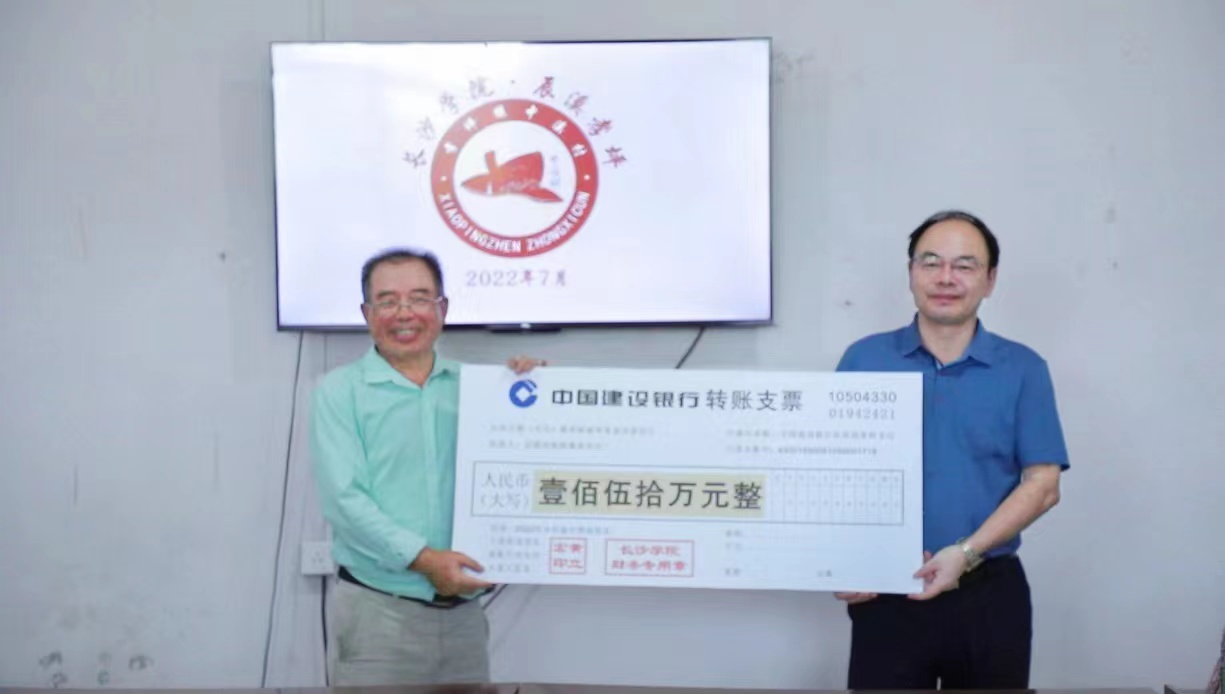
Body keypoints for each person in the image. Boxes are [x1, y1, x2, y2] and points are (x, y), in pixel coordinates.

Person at [834, 210, 1069, 689]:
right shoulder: (864, 359)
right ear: (910, 273)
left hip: (988, 592)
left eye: (964, 265)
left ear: (990, 280)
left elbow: (1043, 485)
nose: (946, 278)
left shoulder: (1024, 368)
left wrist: (965, 553)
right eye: (931, 262)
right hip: (887, 591)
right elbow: (832, 472)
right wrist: (841, 562)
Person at [309, 247, 542, 685]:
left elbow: (529, 463)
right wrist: (426, 561)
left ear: (442, 309)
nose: (404, 313)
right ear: (366, 313)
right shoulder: (339, 392)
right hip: (378, 614)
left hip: (465, 616)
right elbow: (345, 501)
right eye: (387, 301)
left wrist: (539, 390)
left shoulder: (481, 387)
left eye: (419, 298)